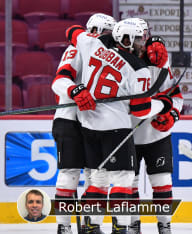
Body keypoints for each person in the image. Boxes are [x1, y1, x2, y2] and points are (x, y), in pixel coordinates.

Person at [65, 18, 173, 234]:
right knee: (123, 179)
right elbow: (140, 111)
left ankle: (91, 227)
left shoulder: (93, 44)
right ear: (127, 39)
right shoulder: (138, 68)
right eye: (140, 39)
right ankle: (121, 227)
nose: (143, 43)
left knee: (98, 178)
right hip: (117, 128)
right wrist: (163, 105)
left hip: (88, 125)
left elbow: (72, 31)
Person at [51, 13, 116, 234]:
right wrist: (75, 90)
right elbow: (59, 81)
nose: (110, 38)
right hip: (69, 119)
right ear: (95, 31)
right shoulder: (76, 48)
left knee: (99, 174)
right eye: (107, 33)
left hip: (94, 121)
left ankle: (92, 225)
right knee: (69, 173)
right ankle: (64, 227)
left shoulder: (110, 56)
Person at [127, 18, 183, 234]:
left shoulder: (161, 61)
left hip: (156, 135)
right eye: (137, 37)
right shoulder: (120, 61)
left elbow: (176, 97)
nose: (142, 41)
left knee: (162, 181)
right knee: (128, 183)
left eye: (144, 36)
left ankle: (164, 224)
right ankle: (132, 223)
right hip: (127, 134)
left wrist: (172, 116)